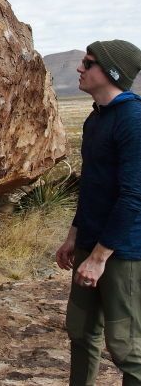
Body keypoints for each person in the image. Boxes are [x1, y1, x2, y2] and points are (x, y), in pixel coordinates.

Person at [55, 39, 141, 385]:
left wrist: (100, 257)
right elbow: (91, 186)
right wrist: (74, 236)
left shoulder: (133, 121)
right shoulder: (96, 120)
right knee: (80, 331)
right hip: (91, 242)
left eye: (88, 63)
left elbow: (134, 197)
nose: (80, 67)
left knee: (126, 348)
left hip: (123, 252)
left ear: (111, 73)